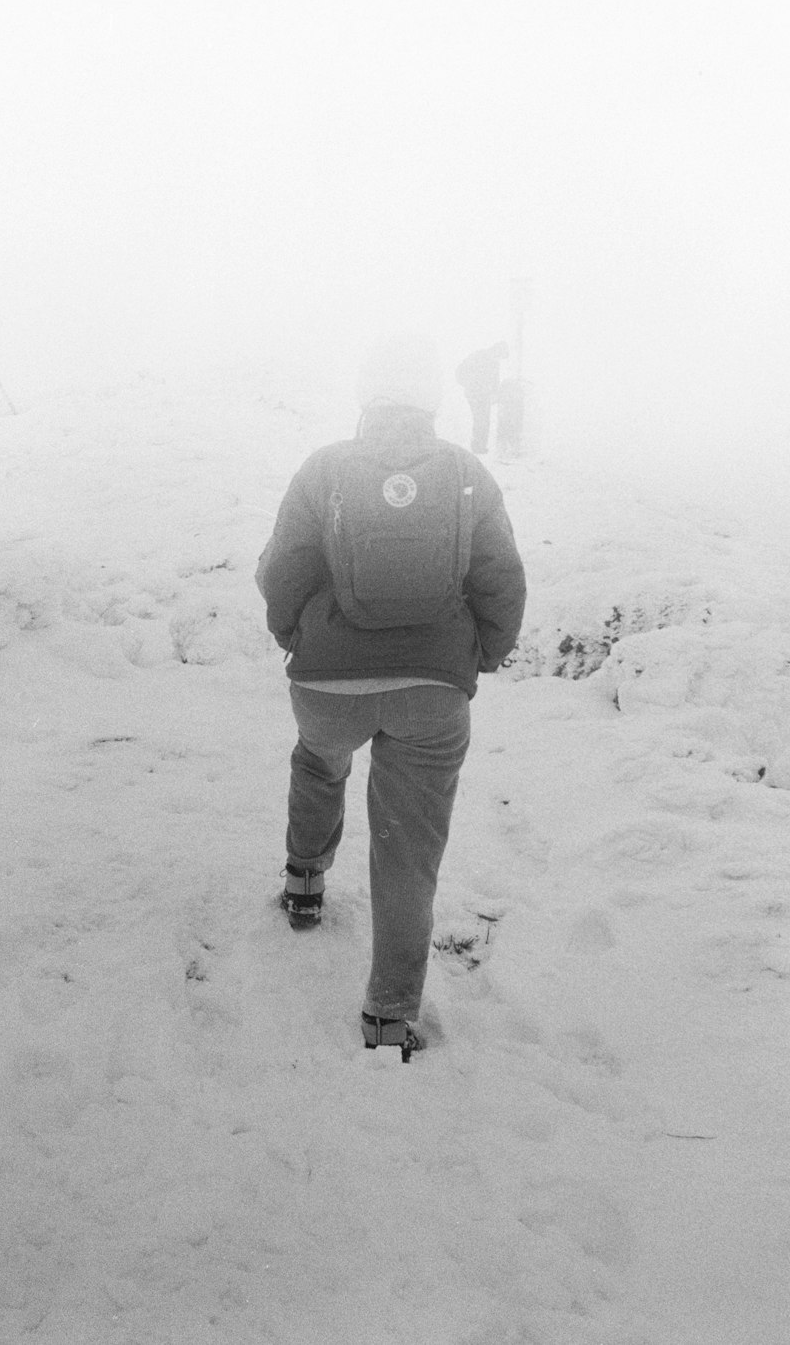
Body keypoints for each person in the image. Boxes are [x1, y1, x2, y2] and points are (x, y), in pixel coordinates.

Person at [255, 341, 526, 1060]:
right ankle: (388, 1016)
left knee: (319, 762)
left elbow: (282, 569)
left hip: (326, 682)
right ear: (432, 400)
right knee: (407, 852)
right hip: (432, 691)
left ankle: (304, 883)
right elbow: (502, 579)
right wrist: (483, 655)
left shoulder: (324, 469)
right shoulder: (466, 473)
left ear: (366, 397)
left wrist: (298, 636)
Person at [455, 340, 510, 455]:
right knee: (481, 419)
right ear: (497, 350)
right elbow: (460, 371)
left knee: (483, 420)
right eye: (500, 355)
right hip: (475, 394)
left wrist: (495, 394)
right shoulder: (479, 356)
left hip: (484, 395)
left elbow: (495, 381)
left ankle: (480, 446)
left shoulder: (494, 362)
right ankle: (478, 447)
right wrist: (470, 385)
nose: (500, 359)